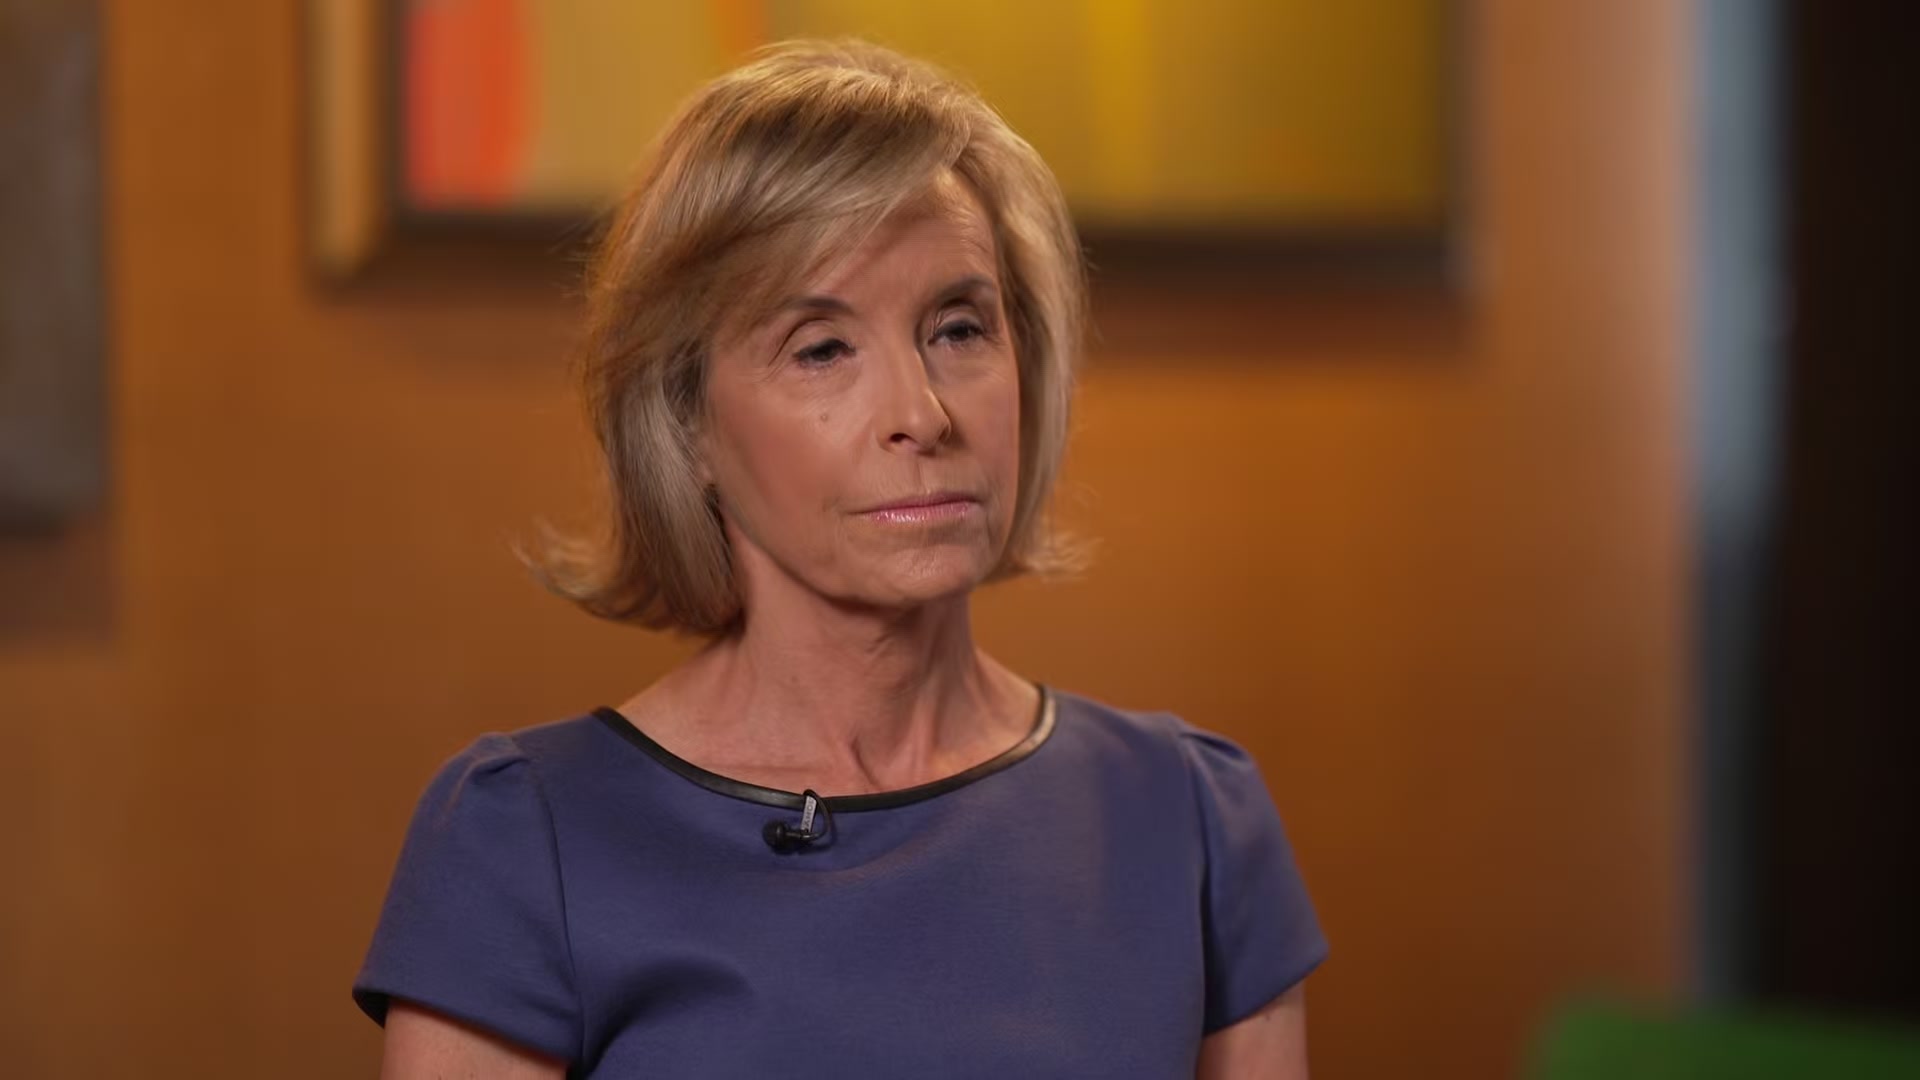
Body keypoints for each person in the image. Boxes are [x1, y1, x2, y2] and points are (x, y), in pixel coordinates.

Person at [352, 38, 1327, 1079]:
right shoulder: (522, 842)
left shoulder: (1190, 818)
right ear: (686, 421)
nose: (923, 413)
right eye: (822, 348)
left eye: (959, 329)